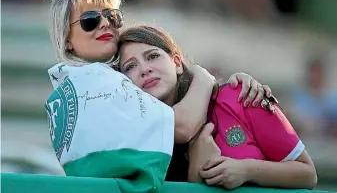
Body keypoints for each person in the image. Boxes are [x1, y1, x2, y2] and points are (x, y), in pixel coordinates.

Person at [48, 0, 272, 144]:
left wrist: (235, 83)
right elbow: (182, 127)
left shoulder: (77, 82)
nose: (105, 24)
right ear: (66, 39)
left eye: (112, 15)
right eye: (90, 20)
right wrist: (203, 77)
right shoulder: (95, 84)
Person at [117, 25, 318, 189]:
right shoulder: (138, 135)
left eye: (152, 56)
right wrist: (196, 174)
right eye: (131, 67)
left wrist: (245, 170)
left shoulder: (240, 96)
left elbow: (307, 174)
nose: (144, 69)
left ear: (177, 63)